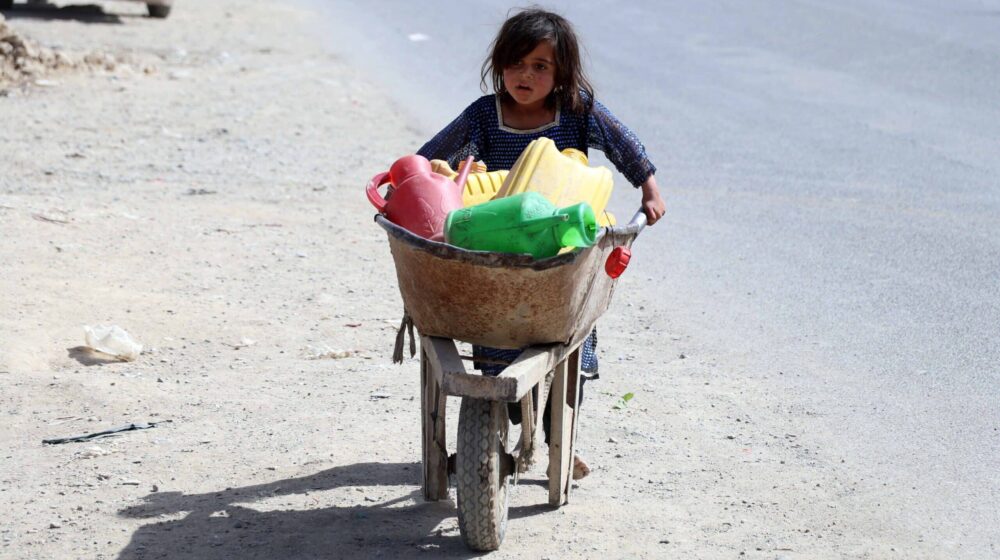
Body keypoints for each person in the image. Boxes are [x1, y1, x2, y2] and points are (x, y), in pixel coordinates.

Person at [417, 8, 665, 480]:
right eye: (515, 63)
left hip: (560, 256)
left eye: (540, 66)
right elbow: (431, 156)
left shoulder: (577, 112)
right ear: (499, 65)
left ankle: (559, 443)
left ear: (561, 73)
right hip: (498, 252)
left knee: (566, 343)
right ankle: (484, 443)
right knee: (491, 343)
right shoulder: (484, 115)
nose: (524, 76)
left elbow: (623, 144)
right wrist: (415, 184)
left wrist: (649, 186)